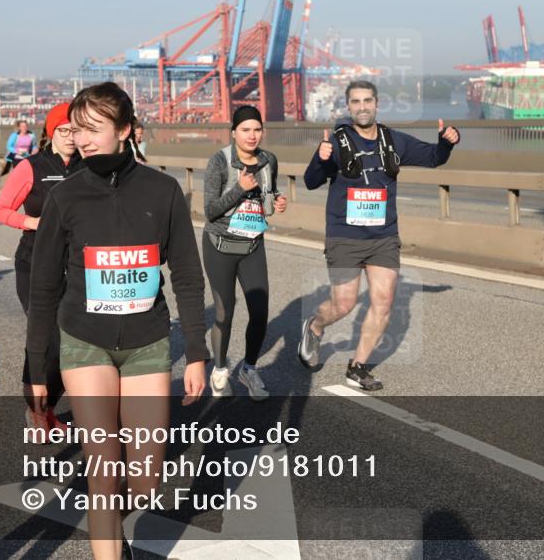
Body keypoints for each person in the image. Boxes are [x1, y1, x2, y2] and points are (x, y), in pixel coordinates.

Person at [26, 82, 207, 558]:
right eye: (74, 130)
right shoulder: (65, 197)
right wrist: (35, 369)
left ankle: (116, 522)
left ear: (125, 130)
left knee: (146, 482)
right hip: (85, 341)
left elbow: (187, 276)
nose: (81, 139)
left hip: (147, 343)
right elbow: (44, 287)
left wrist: (196, 353)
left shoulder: (163, 190)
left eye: (92, 129)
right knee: (102, 467)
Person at [299, 80, 460, 390]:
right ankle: (316, 326)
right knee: (343, 305)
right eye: (356, 102)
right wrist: (320, 158)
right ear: (348, 107)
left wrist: (447, 142)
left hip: (383, 236)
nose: (362, 106)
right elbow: (310, 181)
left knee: (383, 301)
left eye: (367, 101)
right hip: (345, 235)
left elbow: (433, 157)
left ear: (376, 104)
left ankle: (357, 367)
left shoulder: (393, 140)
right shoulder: (337, 142)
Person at [0, 103, 81, 434]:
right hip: (34, 265)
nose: (71, 137)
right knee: (44, 339)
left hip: (75, 266)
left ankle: (50, 404)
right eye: (64, 130)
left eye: (76, 130)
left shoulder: (89, 167)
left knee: (69, 341)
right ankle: (37, 409)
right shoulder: (31, 167)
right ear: (49, 133)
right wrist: (34, 222)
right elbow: (1, 209)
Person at [202, 106, 287, 401]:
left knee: (260, 312)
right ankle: (221, 369)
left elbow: (268, 195)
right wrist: (238, 188)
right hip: (220, 246)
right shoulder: (220, 161)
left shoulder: (268, 160)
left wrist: (275, 202)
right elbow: (210, 211)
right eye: (245, 130)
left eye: (257, 129)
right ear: (234, 132)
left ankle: (248, 368)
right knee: (224, 312)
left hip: (252, 244)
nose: (252, 135)